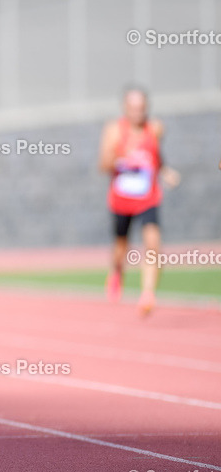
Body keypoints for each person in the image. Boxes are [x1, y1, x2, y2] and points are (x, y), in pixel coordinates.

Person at [98, 86, 180, 315]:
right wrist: (123, 158)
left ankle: (147, 294)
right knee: (120, 247)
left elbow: (156, 156)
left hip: (148, 197)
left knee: (153, 243)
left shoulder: (155, 128)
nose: (138, 113)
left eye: (142, 108)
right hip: (121, 199)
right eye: (133, 108)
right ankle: (117, 270)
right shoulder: (114, 130)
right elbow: (102, 165)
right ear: (125, 108)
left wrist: (165, 171)